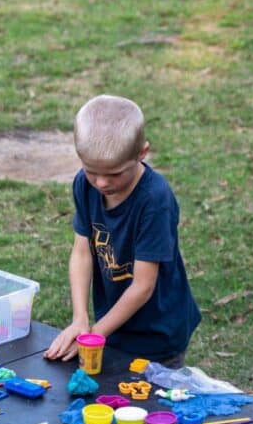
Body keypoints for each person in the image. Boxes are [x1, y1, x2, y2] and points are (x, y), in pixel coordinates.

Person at [44, 94, 201, 370]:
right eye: (92, 171)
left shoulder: (154, 200)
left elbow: (143, 286)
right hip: (113, 326)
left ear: (142, 153)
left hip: (158, 332)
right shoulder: (85, 185)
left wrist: (95, 334)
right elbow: (82, 253)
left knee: (151, 404)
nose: (102, 182)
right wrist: (81, 319)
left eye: (115, 174)